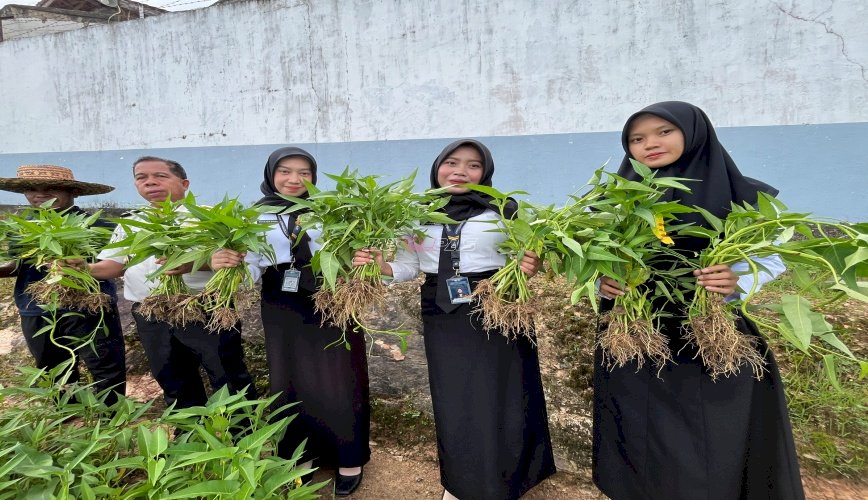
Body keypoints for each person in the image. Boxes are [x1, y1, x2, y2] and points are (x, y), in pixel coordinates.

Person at [594, 101, 804, 499]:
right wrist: (601, 282)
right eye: (637, 139)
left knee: (708, 437)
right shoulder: (613, 201)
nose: (650, 144)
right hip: (635, 334)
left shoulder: (743, 194)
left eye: (663, 132)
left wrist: (736, 278)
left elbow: (771, 256)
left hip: (709, 335)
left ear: (694, 133)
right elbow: (589, 258)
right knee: (637, 431)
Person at [354, 139, 556, 500]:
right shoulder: (415, 215)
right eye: (451, 162)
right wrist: (379, 266)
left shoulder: (504, 211)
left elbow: (528, 260)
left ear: (486, 172)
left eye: (473, 165)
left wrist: (532, 266)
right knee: (454, 395)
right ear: (437, 168)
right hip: (441, 308)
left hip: (495, 305)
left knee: (505, 391)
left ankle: (509, 478)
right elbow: (407, 266)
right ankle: (461, 482)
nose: (461, 171)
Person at [211, 147, 369, 496]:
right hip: (281, 300)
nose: (295, 179)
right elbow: (250, 267)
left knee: (342, 375)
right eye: (285, 171)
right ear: (271, 174)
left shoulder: (333, 211)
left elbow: (352, 250)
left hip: (332, 295)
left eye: (304, 172)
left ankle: (349, 456)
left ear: (314, 177)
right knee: (290, 377)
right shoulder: (254, 216)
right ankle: (300, 455)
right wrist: (228, 266)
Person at [85, 156, 256, 409]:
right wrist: (83, 269)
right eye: (141, 178)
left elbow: (238, 261)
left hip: (203, 306)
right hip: (150, 311)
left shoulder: (211, 217)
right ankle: (187, 432)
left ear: (184, 183)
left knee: (226, 372)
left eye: (160, 176)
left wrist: (193, 263)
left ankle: (243, 432)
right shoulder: (133, 221)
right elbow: (113, 265)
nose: (150, 182)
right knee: (171, 374)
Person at [0, 165, 126, 404]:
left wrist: (80, 265)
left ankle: (112, 417)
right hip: (35, 306)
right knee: (53, 366)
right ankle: (68, 412)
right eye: (31, 188)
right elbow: (16, 264)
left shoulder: (100, 226)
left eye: (50, 188)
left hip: (88, 306)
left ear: (73, 191)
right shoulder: (21, 227)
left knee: (104, 363)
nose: (39, 194)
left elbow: (114, 265)